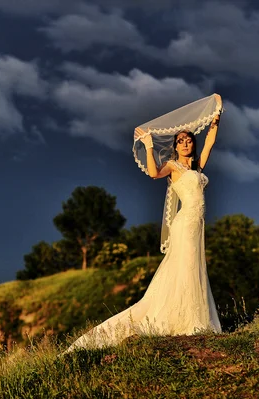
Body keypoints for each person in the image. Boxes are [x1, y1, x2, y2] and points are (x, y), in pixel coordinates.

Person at [64, 94, 223, 353]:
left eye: (188, 140)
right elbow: (152, 173)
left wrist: (216, 115)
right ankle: (183, 320)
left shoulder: (197, 168)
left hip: (198, 224)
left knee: (194, 267)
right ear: (175, 146)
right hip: (185, 225)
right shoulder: (173, 167)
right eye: (181, 141)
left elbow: (210, 143)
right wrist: (149, 145)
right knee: (185, 266)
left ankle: (196, 318)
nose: (186, 144)